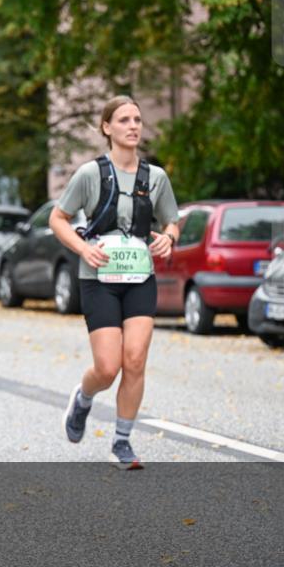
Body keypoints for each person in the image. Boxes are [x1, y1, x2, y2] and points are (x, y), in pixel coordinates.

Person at [50, 95, 180, 469]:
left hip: (140, 276)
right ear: (107, 127)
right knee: (108, 367)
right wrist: (83, 249)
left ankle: (122, 441)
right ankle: (84, 399)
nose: (134, 126)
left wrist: (168, 238)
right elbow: (58, 219)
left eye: (137, 119)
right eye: (124, 120)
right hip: (99, 277)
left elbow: (171, 220)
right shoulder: (91, 174)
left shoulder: (155, 177)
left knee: (135, 360)